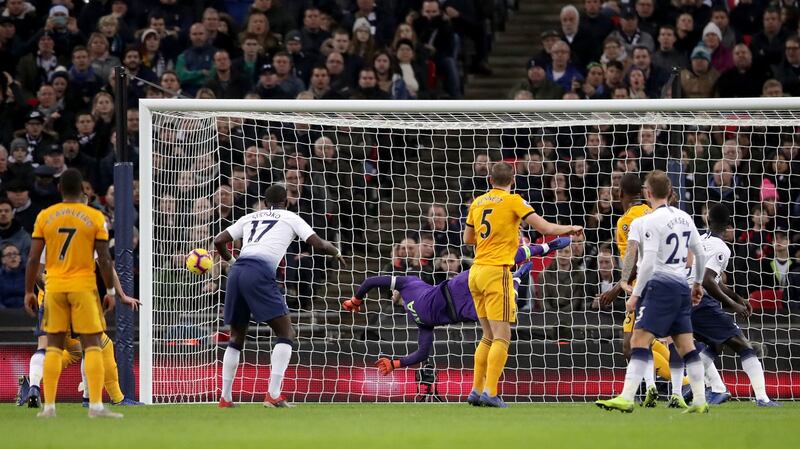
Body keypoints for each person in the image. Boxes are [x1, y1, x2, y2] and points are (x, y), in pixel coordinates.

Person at [342, 239, 570, 374]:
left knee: (495, 260)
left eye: (390, 291)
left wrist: (356, 300)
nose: (390, 293)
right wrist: (396, 363)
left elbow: (371, 281)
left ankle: (547, 246)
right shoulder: (418, 320)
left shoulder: (408, 282)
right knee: (506, 314)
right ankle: (518, 278)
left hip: (454, 288)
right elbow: (423, 353)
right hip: (463, 312)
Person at [213, 184, 345, 408]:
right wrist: (336, 251)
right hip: (259, 272)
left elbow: (218, 240)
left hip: (237, 274)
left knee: (236, 336)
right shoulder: (290, 217)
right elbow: (317, 243)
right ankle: (273, 395)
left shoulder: (249, 217)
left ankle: (225, 398)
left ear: (265, 203)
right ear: (286, 200)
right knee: (286, 332)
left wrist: (233, 261)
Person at [463, 161, 582, 407]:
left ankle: (476, 389)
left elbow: (468, 239)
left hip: (476, 272)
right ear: (513, 180)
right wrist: (569, 228)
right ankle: (491, 392)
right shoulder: (514, 200)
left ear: (490, 180)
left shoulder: (477, 202)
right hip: (497, 272)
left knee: (487, 335)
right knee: (502, 336)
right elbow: (545, 227)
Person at [596, 170, 709, 414]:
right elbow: (699, 254)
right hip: (681, 286)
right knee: (686, 346)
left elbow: (643, 262)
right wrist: (697, 284)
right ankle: (700, 399)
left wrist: (634, 293)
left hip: (659, 286)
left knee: (637, 340)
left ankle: (626, 397)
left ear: (648, 193)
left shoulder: (643, 222)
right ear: (669, 192)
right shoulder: (684, 217)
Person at [23, 168, 120, 418]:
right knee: (93, 345)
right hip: (83, 288)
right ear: (83, 191)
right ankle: (96, 405)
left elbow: (33, 258)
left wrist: (28, 291)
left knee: (52, 346)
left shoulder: (46, 216)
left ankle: (50, 407)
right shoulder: (94, 216)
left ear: (59, 190)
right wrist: (109, 290)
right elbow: (105, 259)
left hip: (54, 287)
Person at [687, 204, 779, 407]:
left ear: (708, 221)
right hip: (699, 301)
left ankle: (693, 386)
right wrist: (733, 306)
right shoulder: (722, 248)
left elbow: (715, 280)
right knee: (744, 346)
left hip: (684, 302)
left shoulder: (700, 240)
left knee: (715, 344)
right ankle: (762, 398)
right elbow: (708, 280)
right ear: (729, 226)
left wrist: (737, 298)